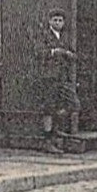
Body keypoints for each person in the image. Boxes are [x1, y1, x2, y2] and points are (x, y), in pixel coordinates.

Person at [32, 8, 79, 149]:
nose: (58, 23)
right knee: (49, 108)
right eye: (55, 20)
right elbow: (38, 52)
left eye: (60, 20)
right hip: (49, 77)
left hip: (63, 77)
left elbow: (74, 53)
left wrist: (70, 55)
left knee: (73, 104)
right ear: (49, 21)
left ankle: (56, 128)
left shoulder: (65, 37)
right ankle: (48, 140)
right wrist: (53, 52)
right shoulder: (44, 35)